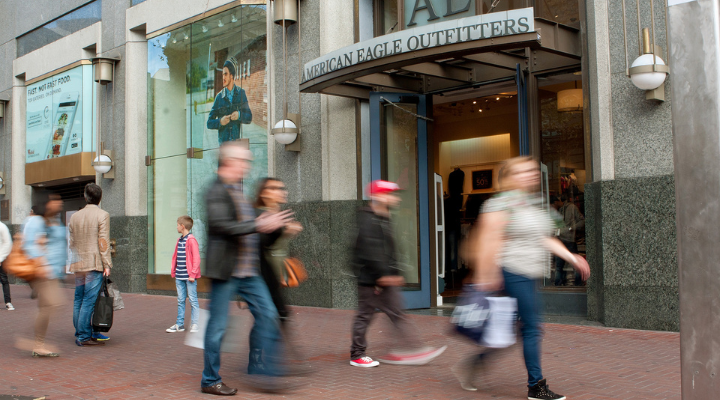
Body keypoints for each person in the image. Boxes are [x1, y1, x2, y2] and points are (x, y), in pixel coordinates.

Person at [470, 157, 590, 400]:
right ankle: (536, 386)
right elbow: (487, 241)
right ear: (510, 176)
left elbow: (543, 237)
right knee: (532, 328)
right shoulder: (500, 204)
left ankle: (475, 364)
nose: (531, 174)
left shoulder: (533, 203)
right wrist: (486, 276)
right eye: (523, 171)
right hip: (512, 271)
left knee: (512, 331)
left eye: (532, 171)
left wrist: (571, 256)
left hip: (529, 273)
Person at [201, 141, 294, 396]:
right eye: (244, 161)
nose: (247, 166)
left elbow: (249, 225)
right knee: (218, 326)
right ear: (230, 162)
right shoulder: (216, 190)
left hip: (249, 272)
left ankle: (266, 371)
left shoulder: (236, 190)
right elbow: (222, 226)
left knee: (270, 316)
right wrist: (259, 224)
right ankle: (210, 379)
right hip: (227, 271)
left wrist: (268, 223)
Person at [349, 180, 446, 368]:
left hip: (381, 277)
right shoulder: (368, 219)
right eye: (390, 194)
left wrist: (394, 272)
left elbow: (388, 251)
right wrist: (383, 274)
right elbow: (370, 249)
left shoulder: (382, 217)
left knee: (396, 313)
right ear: (378, 196)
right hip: (372, 279)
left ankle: (407, 350)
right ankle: (357, 354)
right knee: (366, 315)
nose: (394, 198)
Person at [68, 183, 113, 346]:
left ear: (86, 197)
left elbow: (71, 242)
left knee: (78, 299)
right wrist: (107, 264)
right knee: (89, 300)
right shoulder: (103, 215)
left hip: (79, 263)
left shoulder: (74, 216)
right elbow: (103, 241)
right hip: (94, 263)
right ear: (100, 198)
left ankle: (80, 331)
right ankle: (83, 335)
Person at [23, 191, 67, 357]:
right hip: (43, 271)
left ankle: (38, 344)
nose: (59, 204)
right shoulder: (36, 221)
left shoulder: (54, 220)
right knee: (53, 304)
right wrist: (42, 263)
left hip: (53, 272)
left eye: (59, 200)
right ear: (46, 204)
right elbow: (29, 244)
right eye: (55, 201)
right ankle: (34, 339)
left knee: (48, 307)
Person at [254, 178, 303, 324]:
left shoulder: (279, 215)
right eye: (275, 188)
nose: (283, 192)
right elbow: (261, 245)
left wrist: (287, 233)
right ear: (264, 193)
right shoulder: (261, 215)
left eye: (282, 188)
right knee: (273, 317)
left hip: (276, 273)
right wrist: (284, 232)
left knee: (274, 317)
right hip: (265, 274)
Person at [167, 215, 201, 333]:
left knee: (193, 300)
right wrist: (174, 271)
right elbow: (175, 257)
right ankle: (179, 324)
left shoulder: (191, 240)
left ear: (182, 226)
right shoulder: (179, 240)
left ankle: (195, 323)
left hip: (189, 277)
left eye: (177, 225)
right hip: (179, 276)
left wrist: (193, 274)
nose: (176, 227)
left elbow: (196, 258)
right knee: (180, 300)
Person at [206, 57, 253, 144]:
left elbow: (249, 117)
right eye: (222, 74)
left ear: (231, 75)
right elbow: (209, 123)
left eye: (225, 74)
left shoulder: (241, 93)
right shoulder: (219, 97)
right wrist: (220, 121)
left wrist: (239, 115)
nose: (223, 77)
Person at [552, 195, 585, 286]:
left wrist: (571, 228)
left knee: (573, 264)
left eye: (553, 204)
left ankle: (578, 284)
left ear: (557, 202)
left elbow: (582, 221)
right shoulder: (557, 211)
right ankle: (559, 284)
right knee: (559, 266)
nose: (553, 207)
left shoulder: (571, 208)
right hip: (560, 240)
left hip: (569, 240)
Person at [0, 221, 13, 310]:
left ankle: (8, 302)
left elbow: (8, 243)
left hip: (1, 258)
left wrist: (1, 257)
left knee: (4, 280)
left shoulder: (2, 227)